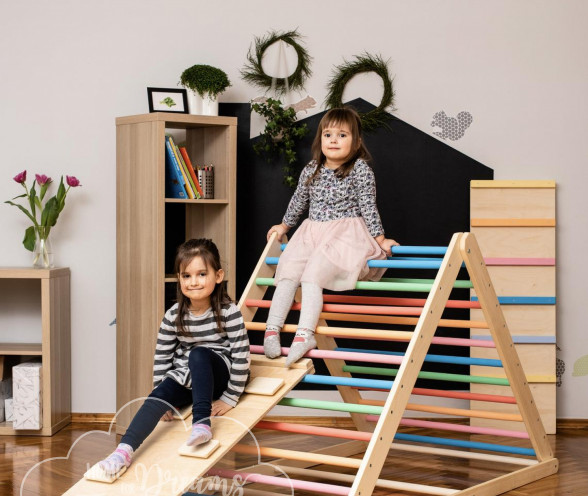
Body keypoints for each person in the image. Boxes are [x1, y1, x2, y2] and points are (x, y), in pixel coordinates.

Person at [99, 238, 250, 475]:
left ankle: (201, 423)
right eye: (186, 276)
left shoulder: (229, 312)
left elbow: (242, 355)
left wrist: (230, 397)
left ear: (218, 276)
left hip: (218, 373)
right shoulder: (173, 316)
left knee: (198, 354)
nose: (194, 282)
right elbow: (163, 355)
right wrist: (165, 398)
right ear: (179, 279)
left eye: (201, 274)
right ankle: (123, 451)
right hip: (188, 377)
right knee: (157, 395)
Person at [264, 107, 398, 367]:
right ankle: (272, 329)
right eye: (328, 134)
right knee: (289, 271)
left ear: (356, 142)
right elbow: (299, 200)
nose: (333, 140)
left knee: (313, 275)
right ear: (320, 139)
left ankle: (305, 335)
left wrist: (380, 240)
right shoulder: (312, 168)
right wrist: (283, 226)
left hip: (344, 234)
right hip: (312, 231)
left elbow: (368, 205)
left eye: (342, 135)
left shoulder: (359, 170)